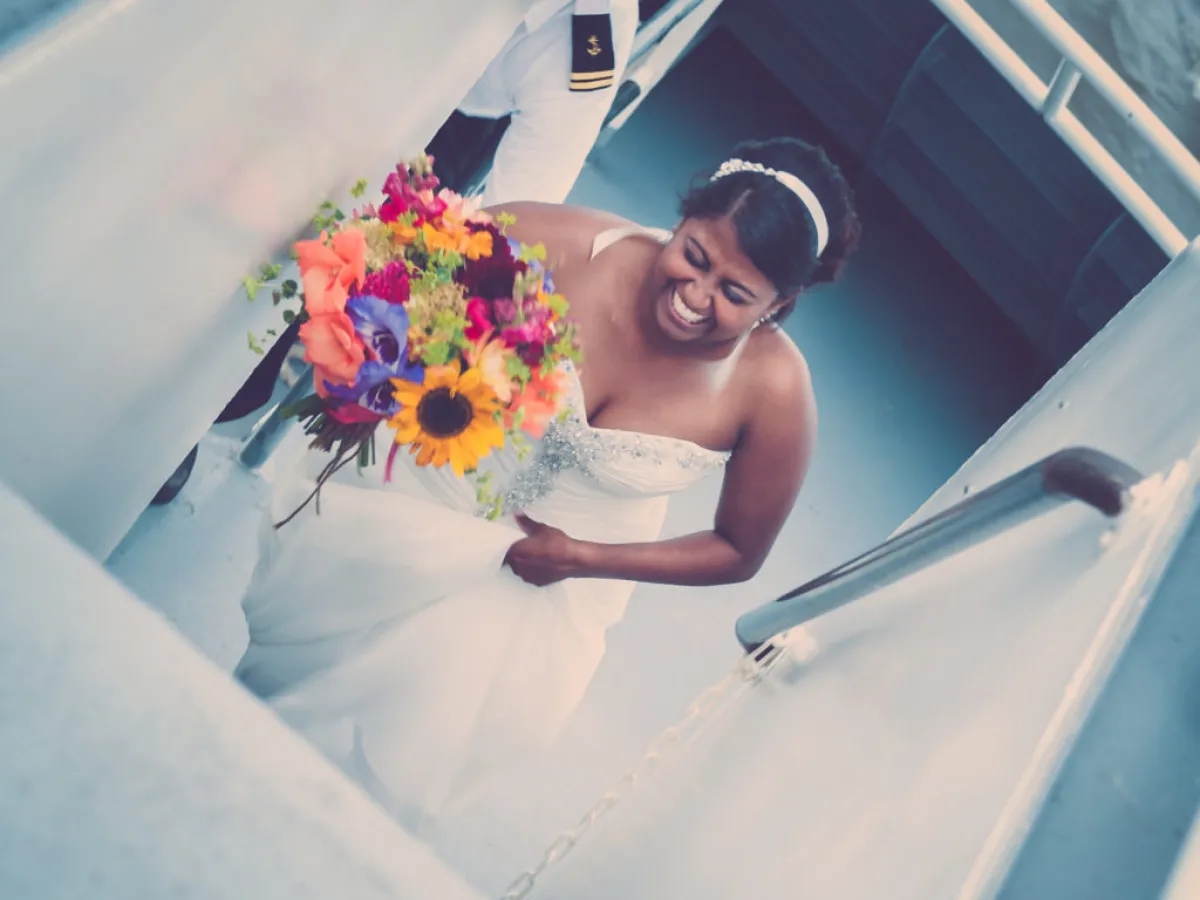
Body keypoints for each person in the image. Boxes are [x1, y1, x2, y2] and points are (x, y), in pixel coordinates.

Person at [234, 136, 862, 831]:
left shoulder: (775, 394)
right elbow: (395, 260)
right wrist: (372, 362)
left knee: (407, 763)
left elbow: (738, 550)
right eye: (693, 255)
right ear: (682, 219)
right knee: (278, 678)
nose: (695, 295)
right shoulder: (564, 246)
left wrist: (581, 559)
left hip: (546, 589)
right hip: (420, 497)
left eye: (735, 294)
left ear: (781, 303)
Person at [146, 0, 644, 506]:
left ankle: (187, 415)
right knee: (228, 194)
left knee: (336, 259)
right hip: (338, 51)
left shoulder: (593, 31)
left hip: (451, 123)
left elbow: (520, 208)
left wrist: (442, 311)